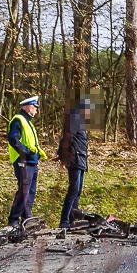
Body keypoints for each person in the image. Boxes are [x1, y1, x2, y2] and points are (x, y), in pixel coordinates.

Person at [7, 95, 47, 227]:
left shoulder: (27, 122)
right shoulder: (18, 120)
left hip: (32, 162)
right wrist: (25, 153)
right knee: (24, 190)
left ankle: (26, 219)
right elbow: (13, 139)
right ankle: (13, 220)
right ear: (30, 107)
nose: (36, 110)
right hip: (23, 161)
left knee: (30, 191)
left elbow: (31, 142)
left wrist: (38, 154)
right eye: (35, 108)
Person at [58, 98, 90, 229]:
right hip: (74, 159)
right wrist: (61, 155)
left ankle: (73, 218)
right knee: (73, 190)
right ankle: (64, 220)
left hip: (81, 160)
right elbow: (66, 139)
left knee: (77, 191)